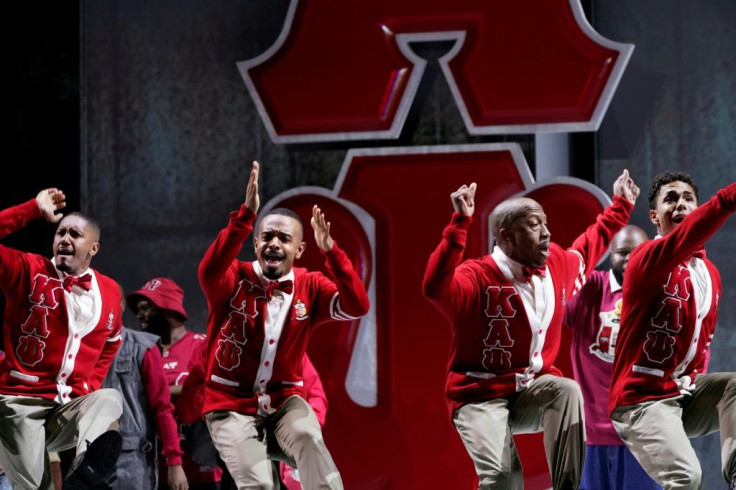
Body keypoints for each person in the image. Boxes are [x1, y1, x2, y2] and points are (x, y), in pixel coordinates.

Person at [422, 170, 639, 489]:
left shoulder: (558, 265)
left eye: (546, 224)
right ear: (507, 236)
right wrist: (459, 224)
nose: (547, 234)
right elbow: (435, 287)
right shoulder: (477, 277)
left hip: (529, 391)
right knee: (501, 477)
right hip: (478, 395)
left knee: (566, 390)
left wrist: (621, 205)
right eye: (535, 225)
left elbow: (590, 245)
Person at [198, 161, 370, 489]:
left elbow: (357, 305)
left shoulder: (311, 285)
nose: (274, 243)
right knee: (261, 485)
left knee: (312, 444)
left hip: (284, 403)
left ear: (299, 249)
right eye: (267, 237)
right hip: (229, 406)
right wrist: (245, 217)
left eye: (284, 239)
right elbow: (208, 270)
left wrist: (332, 253)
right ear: (256, 244)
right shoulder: (235, 276)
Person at [609, 172, 735, 489]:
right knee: (686, 477)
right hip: (641, 401)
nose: (680, 204)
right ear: (654, 216)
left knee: (734, 385)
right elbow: (684, 239)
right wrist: (728, 198)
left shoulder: (710, 274)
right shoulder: (644, 259)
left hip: (682, 396)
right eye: (671, 199)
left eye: (688, 199)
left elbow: (700, 344)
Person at [0, 188, 124, 489]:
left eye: (75, 235)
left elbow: (112, 342)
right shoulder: (27, 269)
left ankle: (87, 472)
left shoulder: (109, 290)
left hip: (66, 406)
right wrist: (32, 209)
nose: (65, 239)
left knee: (108, 398)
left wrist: (88, 386)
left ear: (93, 248)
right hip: (19, 404)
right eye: (60, 233)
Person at [563, 225, 660, 490]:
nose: (629, 259)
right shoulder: (590, 288)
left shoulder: (662, 292)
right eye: (622, 253)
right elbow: (566, 270)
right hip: (591, 436)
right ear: (611, 255)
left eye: (637, 252)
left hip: (645, 436)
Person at [125, 277, 221, 489]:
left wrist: (160, 393)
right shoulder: (142, 353)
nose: (139, 315)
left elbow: (214, 394)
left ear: (167, 309)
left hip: (200, 470)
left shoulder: (203, 346)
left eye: (145, 308)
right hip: (154, 469)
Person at [102, 284, 187, 490]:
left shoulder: (143, 347)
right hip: (87, 458)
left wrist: (175, 462)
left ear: (121, 306)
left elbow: (162, 408)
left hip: (130, 463)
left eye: (109, 301)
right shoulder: (76, 348)